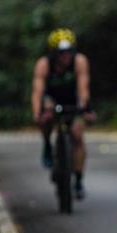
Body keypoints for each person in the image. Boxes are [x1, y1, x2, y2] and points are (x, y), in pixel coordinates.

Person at [31, 29, 93, 200]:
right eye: (61, 53)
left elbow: (83, 87)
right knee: (46, 117)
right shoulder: (43, 64)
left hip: (72, 99)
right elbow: (37, 91)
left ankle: (78, 179)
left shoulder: (79, 62)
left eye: (68, 52)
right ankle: (47, 144)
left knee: (77, 135)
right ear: (53, 53)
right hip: (52, 99)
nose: (65, 56)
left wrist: (84, 108)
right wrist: (37, 113)